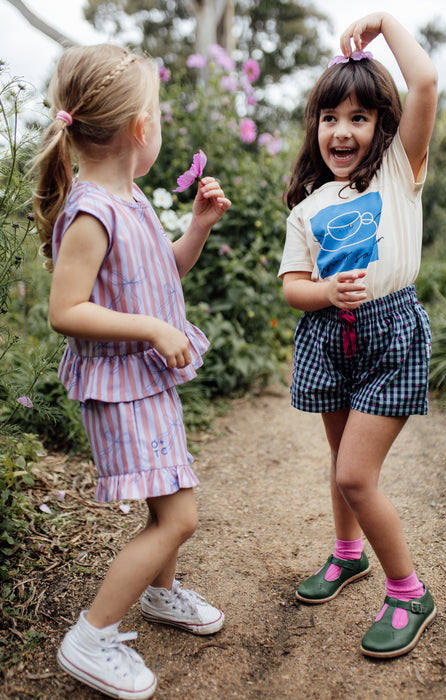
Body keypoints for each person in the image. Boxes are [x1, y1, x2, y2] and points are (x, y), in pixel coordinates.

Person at [31, 44, 231, 699]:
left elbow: (154, 275)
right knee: (177, 517)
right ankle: (90, 636)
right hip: (120, 388)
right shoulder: (91, 212)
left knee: (167, 487)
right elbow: (67, 309)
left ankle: (161, 593)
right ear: (140, 129)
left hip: (145, 380)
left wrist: (197, 229)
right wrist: (151, 329)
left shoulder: (131, 199)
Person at [279, 12, 438, 659]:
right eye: (328, 117)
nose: (340, 130)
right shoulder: (307, 208)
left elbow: (424, 82)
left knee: (354, 475)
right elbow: (292, 285)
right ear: (315, 127)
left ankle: (407, 591)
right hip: (328, 337)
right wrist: (323, 293)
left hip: (390, 333)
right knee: (340, 465)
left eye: (358, 117)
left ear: (382, 129)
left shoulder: (399, 172)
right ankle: (348, 556)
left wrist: (381, 22)